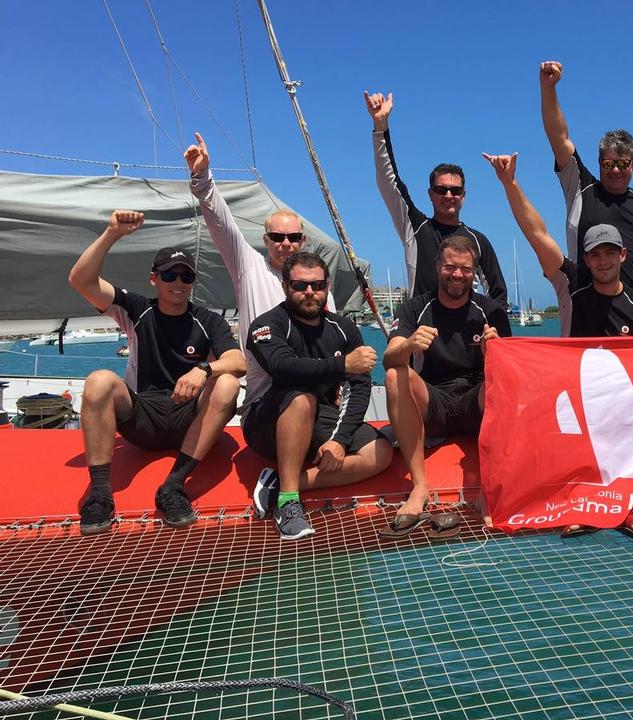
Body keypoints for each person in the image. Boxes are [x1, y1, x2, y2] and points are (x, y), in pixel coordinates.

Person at [484, 152, 633, 543]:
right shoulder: (572, 287)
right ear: (586, 258)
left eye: (609, 252)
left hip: (626, 401)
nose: (602, 260)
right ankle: (580, 508)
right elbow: (536, 233)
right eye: (594, 254)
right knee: (562, 437)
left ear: (623, 256)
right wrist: (509, 184)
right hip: (579, 398)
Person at [68, 211, 245, 534]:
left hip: (188, 420)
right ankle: (99, 495)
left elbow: (238, 360)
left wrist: (204, 369)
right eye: (169, 276)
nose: (177, 283)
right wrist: (111, 234)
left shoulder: (208, 320)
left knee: (228, 384)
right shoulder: (136, 309)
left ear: (193, 282)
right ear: (154, 279)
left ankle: (174, 486)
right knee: (98, 380)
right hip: (143, 418)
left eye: (186, 277)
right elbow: (81, 281)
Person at [243, 252, 392, 540]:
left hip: (318, 419)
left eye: (318, 285)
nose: (310, 292)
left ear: (328, 286)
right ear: (286, 287)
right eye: (300, 286)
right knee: (302, 398)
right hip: (266, 423)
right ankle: (287, 503)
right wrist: (342, 365)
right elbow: (283, 368)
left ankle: (282, 483)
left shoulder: (343, 328)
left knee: (381, 452)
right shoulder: (267, 325)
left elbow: (359, 387)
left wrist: (339, 441)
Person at [185, 132, 338, 407]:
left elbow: (335, 336)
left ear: (303, 241)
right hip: (267, 397)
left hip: (319, 392)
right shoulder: (249, 267)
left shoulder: (316, 282)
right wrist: (203, 178)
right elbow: (221, 223)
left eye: (293, 237)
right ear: (266, 241)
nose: (286, 244)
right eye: (278, 237)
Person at [381, 235, 511, 537]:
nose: (457, 275)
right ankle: (420, 488)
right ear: (438, 266)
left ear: (474, 272)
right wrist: (409, 345)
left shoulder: (490, 311)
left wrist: (496, 352)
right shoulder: (415, 309)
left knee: (501, 378)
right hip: (433, 401)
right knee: (393, 375)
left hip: (475, 402)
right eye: (450, 266)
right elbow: (390, 357)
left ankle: (488, 490)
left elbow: (512, 367)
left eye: (465, 269)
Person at [539, 60, 633, 300]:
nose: (616, 170)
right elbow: (559, 138)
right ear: (599, 163)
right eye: (608, 163)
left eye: (623, 164)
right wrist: (548, 87)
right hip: (582, 307)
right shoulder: (580, 188)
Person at [364, 91, 508, 306]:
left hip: (465, 334)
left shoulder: (479, 241)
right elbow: (390, 182)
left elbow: (498, 297)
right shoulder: (415, 228)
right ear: (430, 194)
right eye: (441, 190)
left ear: (463, 196)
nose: (448, 195)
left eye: (455, 191)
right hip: (422, 331)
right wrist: (380, 127)